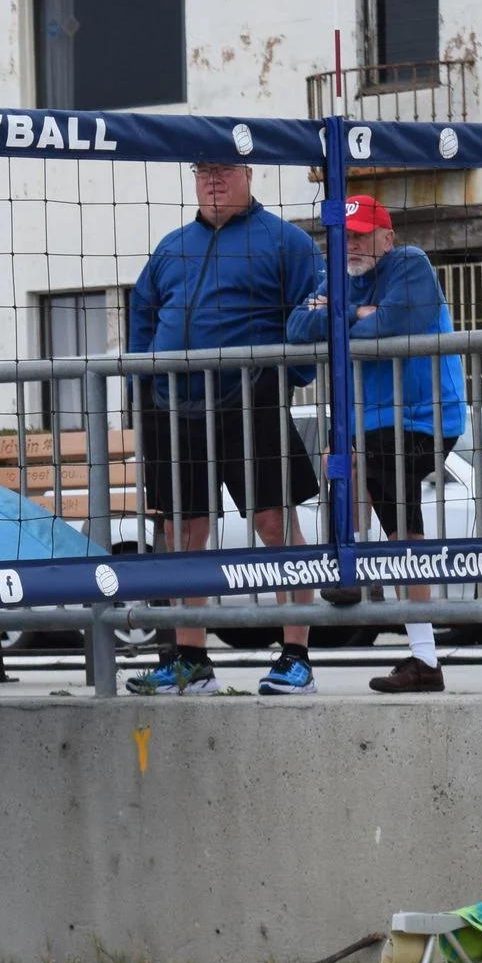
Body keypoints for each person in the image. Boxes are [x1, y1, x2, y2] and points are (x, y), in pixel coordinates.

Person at [126, 160, 325, 697]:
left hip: (249, 398)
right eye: (202, 172)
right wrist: (141, 385)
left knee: (274, 524)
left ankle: (296, 656)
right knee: (181, 532)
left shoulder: (286, 242)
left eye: (224, 170)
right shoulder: (171, 247)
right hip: (173, 403)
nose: (213, 180)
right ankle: (191, 660)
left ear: (249, 173)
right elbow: (141, 314)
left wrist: (287, 377)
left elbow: (315, 309)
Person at [286, 196, 465, 694]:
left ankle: (423, 657)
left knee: (399, 522)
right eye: (345, 236)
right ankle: (356, 571)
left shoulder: (409, 262)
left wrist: (340, 315)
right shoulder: (337, 276)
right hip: (372, 424)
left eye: (363, 234)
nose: (354, 244)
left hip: (423, 417)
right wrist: (354, 310)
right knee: (348, 473)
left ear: (387, 236)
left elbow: (390, 325)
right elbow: (296, 327)